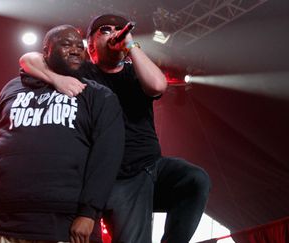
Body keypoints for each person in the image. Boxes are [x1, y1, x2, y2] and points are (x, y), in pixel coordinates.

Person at [19, 14, 211, 243]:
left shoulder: (135, 72)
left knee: (195, 180)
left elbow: (158, 85)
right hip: (117, 175)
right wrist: (56, 79)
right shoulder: (82, 72)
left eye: (118, 29)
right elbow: (27, 59)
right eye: (105, 30)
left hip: (150, 167)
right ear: (89, 45)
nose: (114, 33)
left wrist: (131, 45)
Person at [0, 24, 125, 243]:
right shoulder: (13, 88)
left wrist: (89, 212)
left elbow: (106, 161)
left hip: (61, 225)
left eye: (79, 47)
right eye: (66, 44)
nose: (75, 50)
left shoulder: (98, 96)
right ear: (46, 51)